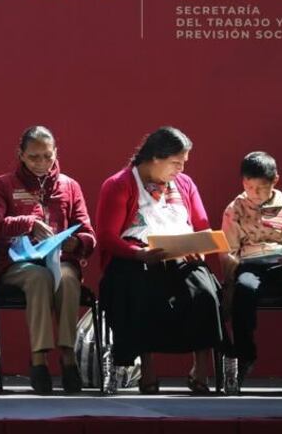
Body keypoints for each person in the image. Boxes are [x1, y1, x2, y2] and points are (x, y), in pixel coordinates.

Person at [97, 126, 225, 394]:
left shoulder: (185, 184)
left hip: (181, 253)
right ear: (156, 157)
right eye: (176, 163)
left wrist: (199, 248)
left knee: (204, 292)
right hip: (137, 256)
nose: (180, 169)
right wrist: (139, 253)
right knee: (142, 291)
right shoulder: (119, 184)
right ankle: (147, 368)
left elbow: (201, 224)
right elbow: (108, 236)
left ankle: (201, 369)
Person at [0, 126, 96, 394]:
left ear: (56, 154)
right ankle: (39, 361)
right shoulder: (4, 184)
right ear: (21, 155)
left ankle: (67, 357)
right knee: (39, 278)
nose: (41, 163)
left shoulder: (69, 186)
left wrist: (75, 242)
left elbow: (88, 234)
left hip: (61, 260)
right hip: (19, 264)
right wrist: (26, 224)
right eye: (34, 157)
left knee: (67, 278)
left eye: (47, 156)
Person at [221, 151, 282, 391]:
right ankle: (245, 356)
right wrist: (233, 271)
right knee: (244, 290)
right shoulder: (234, 210)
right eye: (248, 187)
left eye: (261, 188)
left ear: (275, 181)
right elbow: (228, 250)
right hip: (250, 264)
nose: (254, 193)